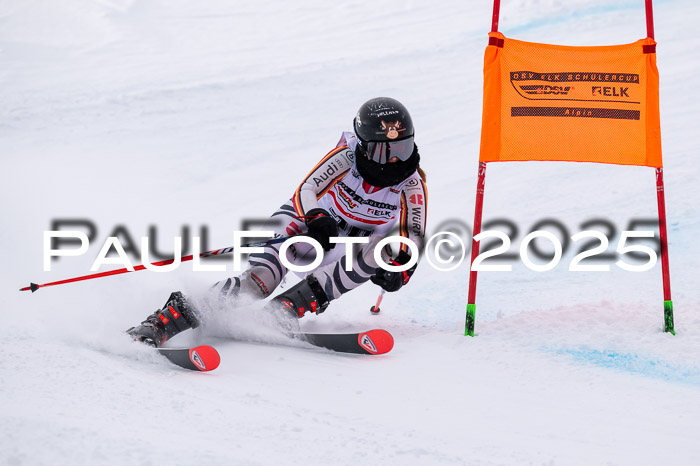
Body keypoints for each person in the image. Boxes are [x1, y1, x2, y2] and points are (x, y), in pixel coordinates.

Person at [127, 97, 429, 347]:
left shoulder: (412, 185)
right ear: (363, 146)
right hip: (308, 227)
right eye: (383, 150)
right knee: (259, 281)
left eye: (401, 148)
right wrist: (317, 216)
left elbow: (413, 236)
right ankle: (168, 320)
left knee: (383, 249)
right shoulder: (346, 157)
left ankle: (287, 308)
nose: (395, 160)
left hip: (348, 246)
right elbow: (307, 189)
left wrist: (401, 270)